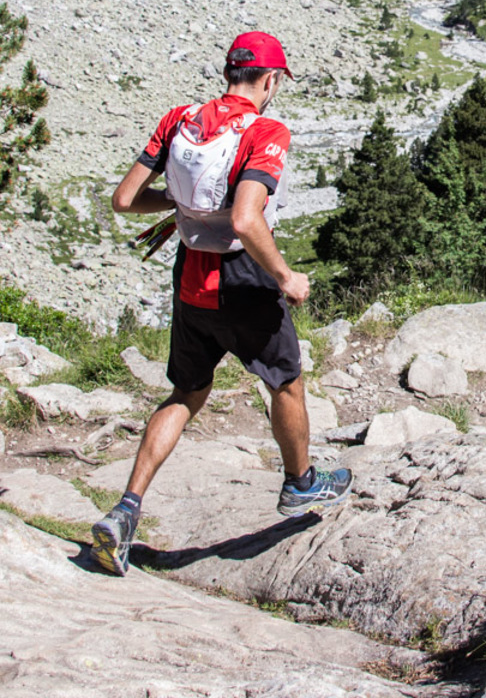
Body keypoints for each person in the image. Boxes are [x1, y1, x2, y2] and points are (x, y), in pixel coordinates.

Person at [89, 31, 352, 577]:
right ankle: (301, 483)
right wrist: (285, 276)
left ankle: (126, 510)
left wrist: (181, 206)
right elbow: (244, 218)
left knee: (186, 391)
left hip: (191, 275)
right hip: (244, 279)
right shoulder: (266, 130)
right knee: (285, 381)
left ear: (228, 72)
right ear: (270, 80)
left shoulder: (180, 118)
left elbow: (123, 199)